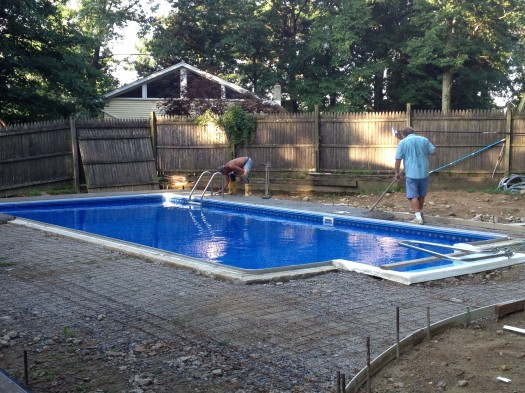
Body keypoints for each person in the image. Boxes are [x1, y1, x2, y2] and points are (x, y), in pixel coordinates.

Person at [394, 127, 436, 224]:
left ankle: (418, 218)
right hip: (424, 172)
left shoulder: (402, 143)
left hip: (411, 173)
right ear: (414, 133)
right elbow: (433, 152)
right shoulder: (424, 140)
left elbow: (398, 159)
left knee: (413, 195)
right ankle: (420, 213)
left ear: (404, 135)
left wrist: (396, 173)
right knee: (421, 194)